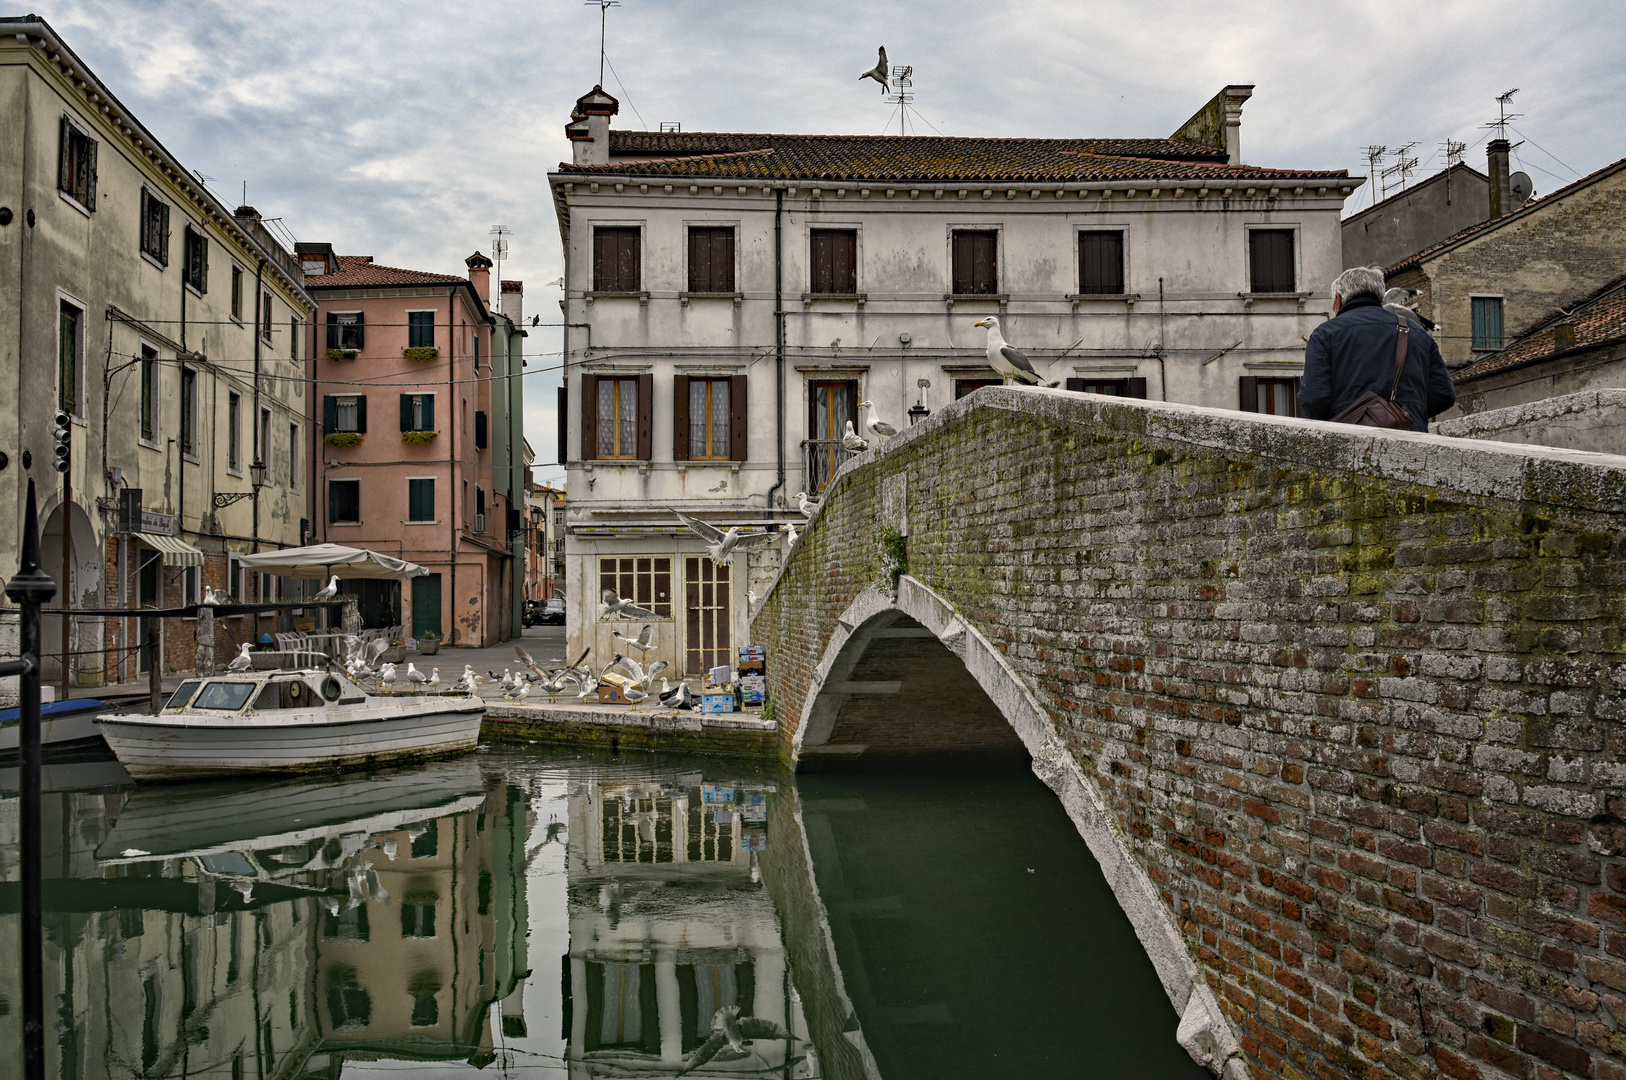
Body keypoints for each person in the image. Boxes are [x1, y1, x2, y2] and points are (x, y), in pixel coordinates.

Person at [1299, 266, 1455, 432]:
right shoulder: (1418, 333)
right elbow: (1444, 395)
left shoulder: (1325, 334)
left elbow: (1313, 399)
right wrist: (1402, 414)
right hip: (1411, 438)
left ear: (1338, 300)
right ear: (1380, 296)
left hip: (1350, 439)